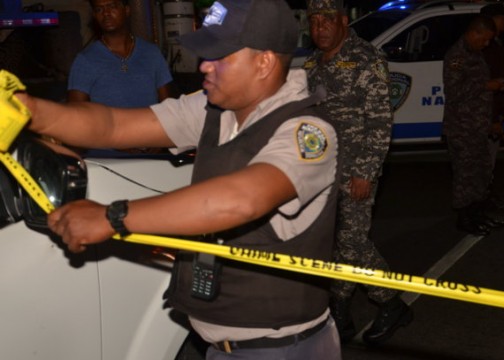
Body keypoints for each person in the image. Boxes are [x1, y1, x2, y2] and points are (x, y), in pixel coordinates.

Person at [16, 0, 341, 358]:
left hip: (279, 349)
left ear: (263, 62)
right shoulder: (213, 109)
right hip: (223, 347)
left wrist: (111, 217)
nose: (204, 66)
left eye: (220, 56)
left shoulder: (307, 133)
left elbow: (240, 199)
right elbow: (113, 125)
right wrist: (28, 110)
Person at [303, 0, 412, 346]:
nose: (319, 27)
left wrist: (366, 171)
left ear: (344, 21)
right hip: (322, 171)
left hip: (355, 169)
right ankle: (341, 312)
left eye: (327, 20)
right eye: (314, 20)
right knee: (339, 241)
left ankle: (390, 302)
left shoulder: (367, 59)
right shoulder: (312, 64)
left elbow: (380, 121)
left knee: (352, 241)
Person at [442, 15, 504, 236]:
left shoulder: (475, 54)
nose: (486, 44)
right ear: (474, 33)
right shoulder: (456, 56)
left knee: (480, 173)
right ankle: (465, 219)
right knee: (465, 176)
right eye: (484, 39)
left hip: (478, 126)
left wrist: (489, 121)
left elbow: (479, 98)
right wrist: (486, 85)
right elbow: (453, 93)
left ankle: (478, 214)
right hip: (462, 128)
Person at [67, 0, 172, 107]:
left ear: (126, 10)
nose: (106, 13)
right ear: (94, 15)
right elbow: (76, 114)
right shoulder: (85, 60)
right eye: (99, 9)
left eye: (112, 7)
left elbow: (168, 106)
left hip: (150, 123)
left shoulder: (151, 53)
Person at [480, 3, 504, 214]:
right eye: (503, 17)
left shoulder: (495, 44)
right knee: (483, 162)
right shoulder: (487, 47)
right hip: (486, 114)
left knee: (487, 162)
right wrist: (493, 118)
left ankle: (485, 198)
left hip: (493, 111)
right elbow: (485, 86)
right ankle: (481, 202)